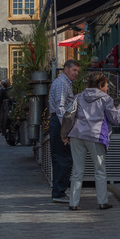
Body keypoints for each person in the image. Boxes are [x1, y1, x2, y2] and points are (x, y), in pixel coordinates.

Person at [64, 72, 120, 210]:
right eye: (106, 85)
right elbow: (114, 119)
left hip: (77, 134)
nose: (108, 88)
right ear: (100, 85)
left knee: (77, 171)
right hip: (95, 135)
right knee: (99, 170)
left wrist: (66, 133)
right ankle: (102, 201)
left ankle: (73, 203)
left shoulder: (78, 97)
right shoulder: (106, 99)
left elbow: (70, 115)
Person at [48, 59, 80, 204]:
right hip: (59, 122)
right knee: (63, 158)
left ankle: (59, 191)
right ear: (65, 69)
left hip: (59, 122)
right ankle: (59, 192)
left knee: (62, 158)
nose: (76, 73)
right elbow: (61, 108)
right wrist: (65, 129)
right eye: (74, 70)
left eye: (77, 71)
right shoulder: (62, 83)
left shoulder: (65, 83)